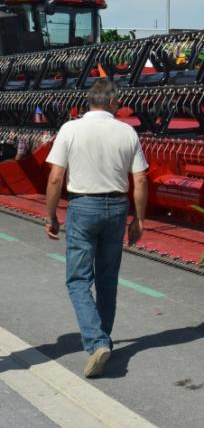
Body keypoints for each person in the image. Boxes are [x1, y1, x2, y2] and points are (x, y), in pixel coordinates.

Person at [45, 78, 148, 379]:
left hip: (83, 206)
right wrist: (139, 220)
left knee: (78, 280)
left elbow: (55, 178)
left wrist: (50, 216)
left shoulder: (70, 129)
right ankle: (103, 341)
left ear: (90, 101)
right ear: (113, 102)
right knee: (107, 278)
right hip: (117, 208)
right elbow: (140, 180)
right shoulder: (127, 132)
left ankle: (97, 342)